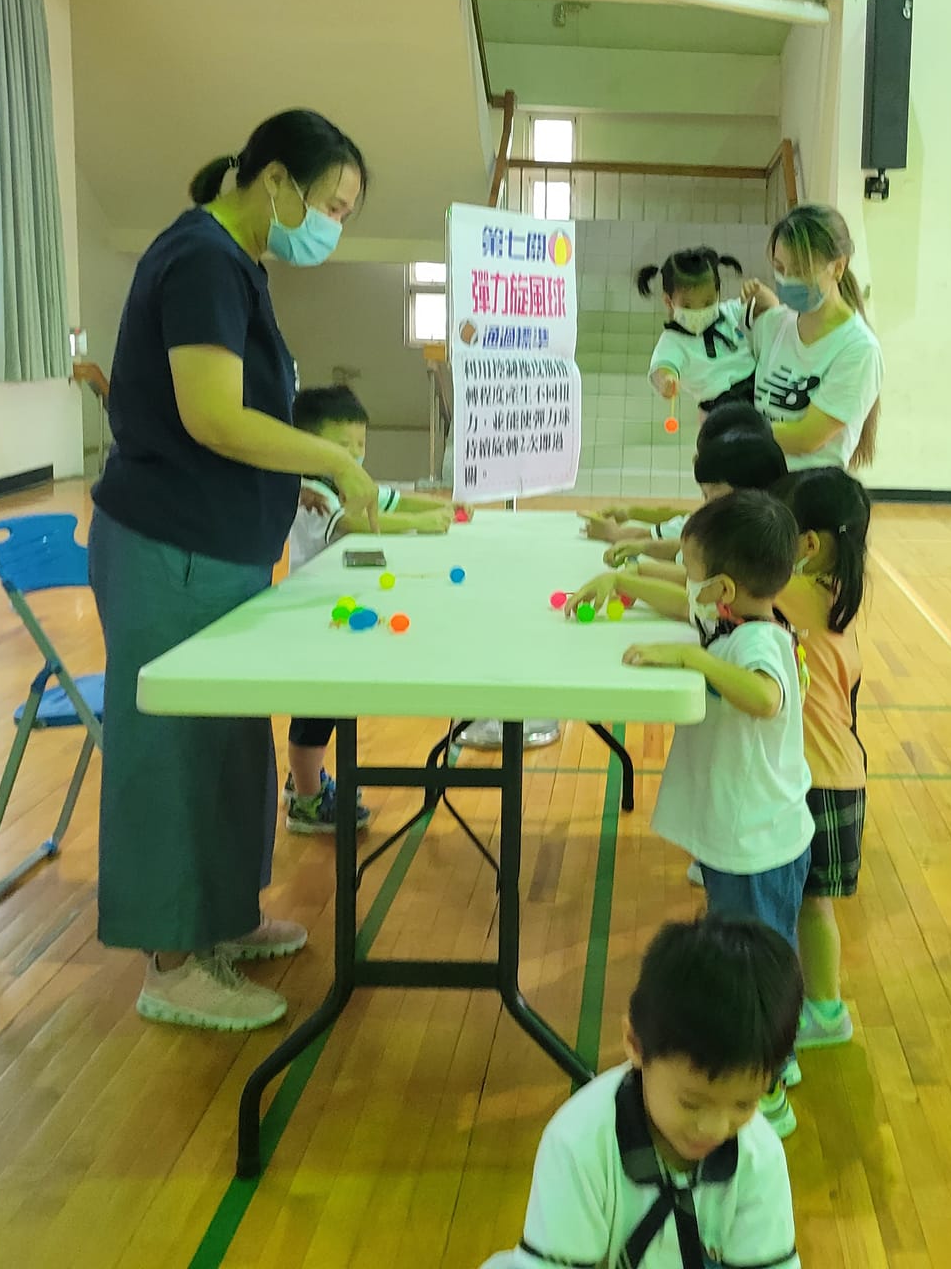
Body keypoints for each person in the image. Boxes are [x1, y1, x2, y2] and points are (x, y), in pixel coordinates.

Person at [89, 108, 374, 1032]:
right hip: (169, 548)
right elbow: (210, 416)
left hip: (222, 549)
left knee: (227, 742)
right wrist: (332, 461)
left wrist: (296, 483)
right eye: (331, 205)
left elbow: (240, 421)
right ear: (276, 178)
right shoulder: (202, 260)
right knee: (173, 749)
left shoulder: (238, 265)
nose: (331, 226)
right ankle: (172, 963)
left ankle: (222, 918)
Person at [573, 488, 812, 1138]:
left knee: (753, 968)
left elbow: (765, 697)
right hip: (749, 834)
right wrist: (622, 581)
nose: (687, 582)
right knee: (757, 952)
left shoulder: (759, 642)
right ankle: (774, 1057)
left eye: (693, 571)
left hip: (757, 842)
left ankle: (765, 1087)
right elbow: (681, 603)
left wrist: (690, 657)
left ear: (724, 589)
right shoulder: (730, 619)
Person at [479, 916, 803, 1269]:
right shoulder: (578, 1143)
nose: (715, 1128)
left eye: (744, 1104)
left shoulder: (759, 1156)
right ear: (635, 1044)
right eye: (691, 1103)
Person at [281, 382, 456, 836]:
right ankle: (306, 801)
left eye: (360, 444)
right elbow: (356, 523)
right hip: (314, 617)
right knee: (315, 712)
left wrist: (443, 506)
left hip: (338, 612)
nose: (355, 455)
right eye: (344, 446)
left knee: (329, 707)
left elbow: (388, 498)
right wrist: (421, 523)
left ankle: (304, 779)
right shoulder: (309, 490)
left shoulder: (344, 481)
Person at [774, 467, 871, 1053]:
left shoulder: (795, 594)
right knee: (812, 906)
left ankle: (826, 1011)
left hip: (820, 781)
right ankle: (819, 1005)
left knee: (808, 906)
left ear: (807, 543)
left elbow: (711, 589)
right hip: (839, 774)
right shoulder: (836, 590)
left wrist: (628, 576)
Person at [741, 205, 883, 471]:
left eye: (800, 271)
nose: (787, 280)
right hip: (759, 483)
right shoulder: (773, 324)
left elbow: (806, 438)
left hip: (808, 489)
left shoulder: (858, 349)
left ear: (837, 267)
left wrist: (736, 435)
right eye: (779, 268)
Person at [584, 405, 787, 561]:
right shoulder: (754, 502)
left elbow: (692, 554)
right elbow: (690, 523)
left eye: (704, 454)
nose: (695, 459)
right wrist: (631, 513)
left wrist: (616, 535)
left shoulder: (751, 537)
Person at [639, 246, 756, 417]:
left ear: (718, 292)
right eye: (687, 306)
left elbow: (770, 315)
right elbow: (663, 366)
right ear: (669, 301)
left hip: (760, 386)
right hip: (720, 405)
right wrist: (666, 380)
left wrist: (760, 294)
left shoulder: (732, 312)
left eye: (708, 302)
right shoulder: (673, 341)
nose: (699, 310)